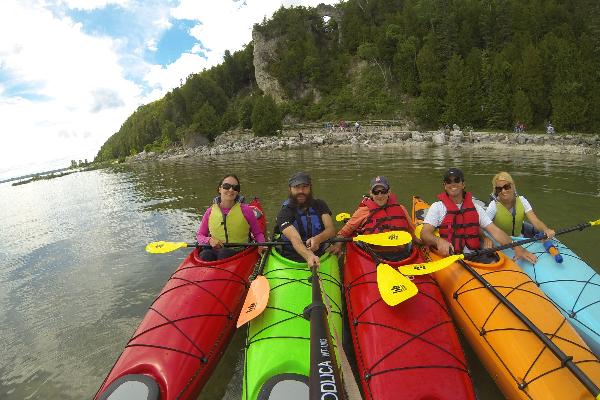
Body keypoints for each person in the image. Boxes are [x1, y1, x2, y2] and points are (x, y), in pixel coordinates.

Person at [420, 168, 537, 263]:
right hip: (452, 257)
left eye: (456, 180)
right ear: (445, 185)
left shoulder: (475, 208)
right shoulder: (437, 207)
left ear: (463, 184)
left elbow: (495, 231)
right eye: (448, 181)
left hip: (475, 254)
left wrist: (517, 248)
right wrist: (439, 241)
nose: (453, 184)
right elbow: (424, 234)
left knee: (493, 261)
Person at [330, 176, 416, 261]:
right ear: (371, 193)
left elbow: (412, 231)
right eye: (376, 192)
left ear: (389, 192)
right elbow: (344, 232)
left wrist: (423, 242)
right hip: (373, 255)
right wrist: (338, 245)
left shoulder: (401, 209)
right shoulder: (363, 211)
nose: (380, 195)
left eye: (383, 191)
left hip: (404, 254)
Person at [196, 174, 266, 261]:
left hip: (239, 252)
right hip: (215, 250)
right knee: (205, 255)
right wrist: (209, 240)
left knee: (224, 253)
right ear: (220, 189)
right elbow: (200, 235)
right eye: (227, 186)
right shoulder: (210, 212)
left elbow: (258, 233)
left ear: (237, 192)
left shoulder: (246, 210)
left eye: (235, 188)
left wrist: (261, 245)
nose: (231, 190)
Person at [274, 172, 336, 267]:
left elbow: (330, 229)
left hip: (320, 253)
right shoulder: (285, 212)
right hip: (290, 255)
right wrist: (309, 256)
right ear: (290, 189)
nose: (301, 191)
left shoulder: (320, 205)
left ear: (310, 188)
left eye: (304, 187)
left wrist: (318, 239)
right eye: (296, 187)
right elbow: (294, 237)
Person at [486, 171, 555, 239]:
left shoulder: (522, 200)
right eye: (499, 189)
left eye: (506, 187)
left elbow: (535, 220)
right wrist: (486, 239)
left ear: (513, 186)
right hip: (500, 242)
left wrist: (546, 230)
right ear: (496, 190)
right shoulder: (493, 206)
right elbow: (484, 226)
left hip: (519, 239)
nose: (503, 191)